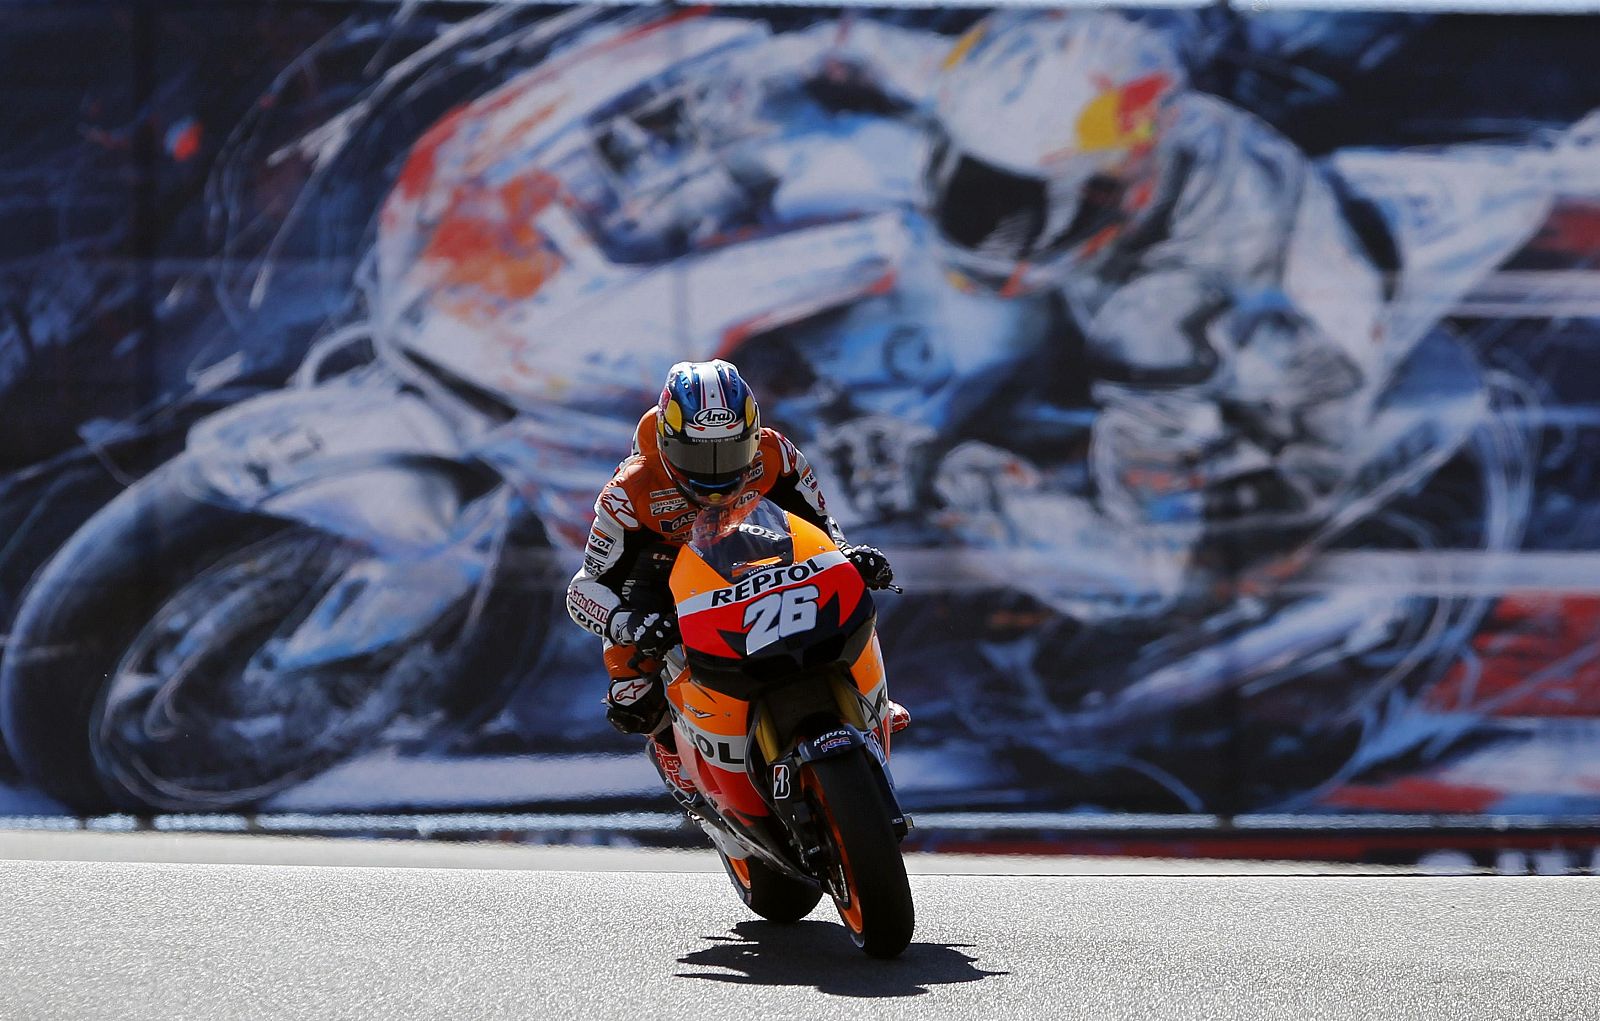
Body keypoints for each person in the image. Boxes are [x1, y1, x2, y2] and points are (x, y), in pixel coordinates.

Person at [565, 358, 908, 794]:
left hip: (760, 554)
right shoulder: (629, 491)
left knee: (846, 592)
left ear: (750, 437)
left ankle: (866, 696)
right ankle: (677, 756)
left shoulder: (776, 454)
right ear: (668, 444)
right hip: (663, 585)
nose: (714, 473)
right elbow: (585, 589)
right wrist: (627, 623)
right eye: (697, 454)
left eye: (728, 452)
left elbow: (821, 526)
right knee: (631, 698)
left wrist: (847, 556)